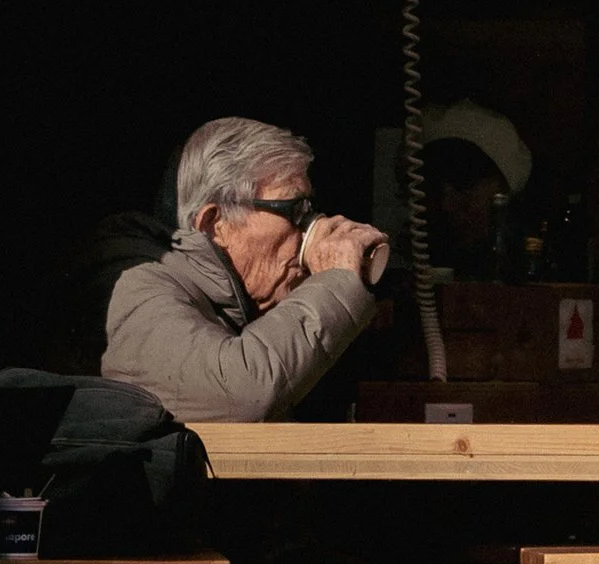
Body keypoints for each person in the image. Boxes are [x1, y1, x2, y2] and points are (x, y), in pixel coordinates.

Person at [100, 117, 388, 422]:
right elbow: (238, 396)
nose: (308, 230)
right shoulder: (136, 285)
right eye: (294, 211)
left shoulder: (237, 305)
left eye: (310, 211)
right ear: (216, 224)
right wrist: (336, 282)